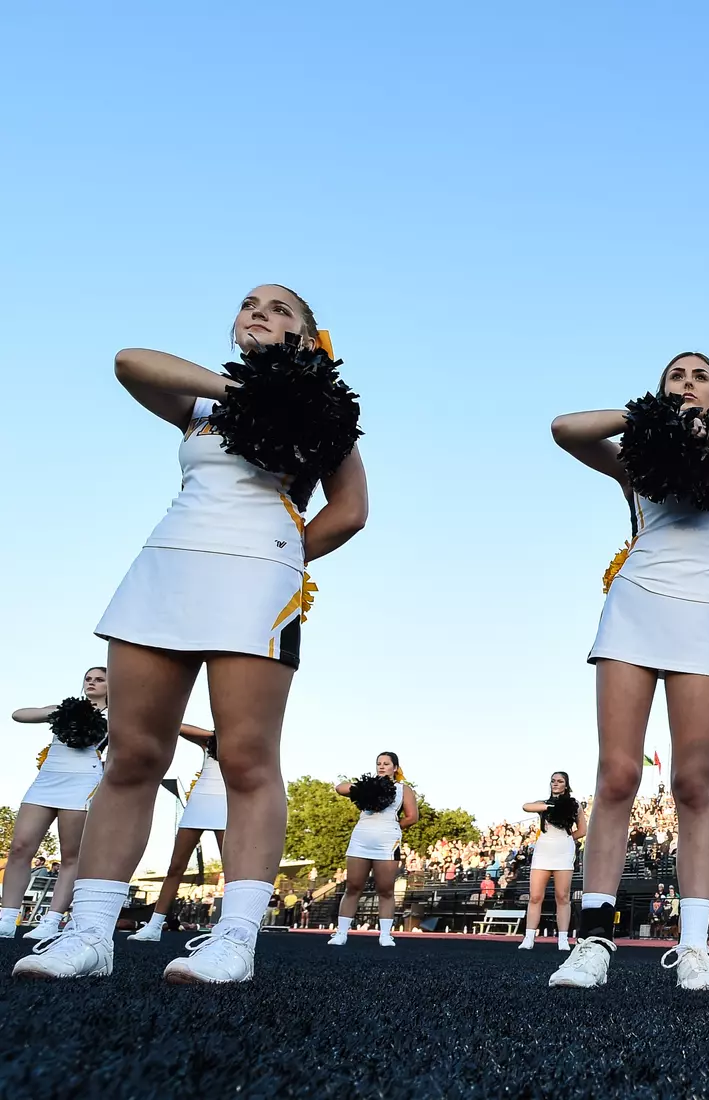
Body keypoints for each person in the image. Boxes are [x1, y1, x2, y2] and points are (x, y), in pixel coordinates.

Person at [14, 286, 369, 984]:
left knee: (246, 756)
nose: (259, 310)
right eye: (249, 303)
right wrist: (241, 392)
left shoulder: (324, 412)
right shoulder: (204, 402)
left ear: (307, 335)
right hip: (165, 567)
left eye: (279, 307)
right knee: (134, 755)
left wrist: (286, 555)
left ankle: (235, 939)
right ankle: (89, 934)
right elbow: (128, 361)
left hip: (258, 578)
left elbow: (351, 510)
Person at [549, 353, 709, 993]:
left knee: (692, 781)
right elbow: (565, 428)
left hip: (702, 620)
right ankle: (593, 940)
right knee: (618, 774)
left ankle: (693, 947)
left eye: (700, 378)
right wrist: (646, 419)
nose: (687, 385)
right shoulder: (636, 458)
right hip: (632, 607)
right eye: (675, 378)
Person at [3, 668, 108, 941]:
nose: (92, 683)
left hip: (83, 782)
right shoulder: (66, 708)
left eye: (99, 679)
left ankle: (52, 920)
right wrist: (58, 712)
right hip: (47, 780)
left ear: (112, 685)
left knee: (70, 855)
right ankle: (6, 917)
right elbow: (19, 715)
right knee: (19, 847)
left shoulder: (117, 715)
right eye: (88, 678)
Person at [130, 725, 225, 941]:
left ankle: (229, 925)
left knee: (232, 869)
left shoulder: (246, 741)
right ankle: (154, 925)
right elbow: (178, 725)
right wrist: (215, 734)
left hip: (228, 803)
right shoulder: (209, 741)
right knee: (176, 866)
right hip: (200, 800)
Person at [329, 753, 418, 948]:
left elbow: (412, 817)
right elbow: (339, 788)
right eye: (379, 763)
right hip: (361, 839)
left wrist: (395, 827)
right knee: (353, 886)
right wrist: (362, 788)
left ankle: (385, 934)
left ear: (395, 767)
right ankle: (341, 932)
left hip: (387, 842)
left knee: (385, 889)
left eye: (386, 763)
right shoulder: (367, 786)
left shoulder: (403, 789)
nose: (381, 766)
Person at [519, 772, 586, 951]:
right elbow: (526, 806)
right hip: (543, 850)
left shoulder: (574, 804)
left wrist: (567, 838)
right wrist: (549, 806)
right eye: (553, 781)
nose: (556, 784)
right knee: (535, 896)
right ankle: (529, 937)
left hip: (563, 851)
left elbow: (583, 830)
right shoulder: (543, 804)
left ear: (566, 785)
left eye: (560, 781)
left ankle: (563, 939)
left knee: (563, 896)